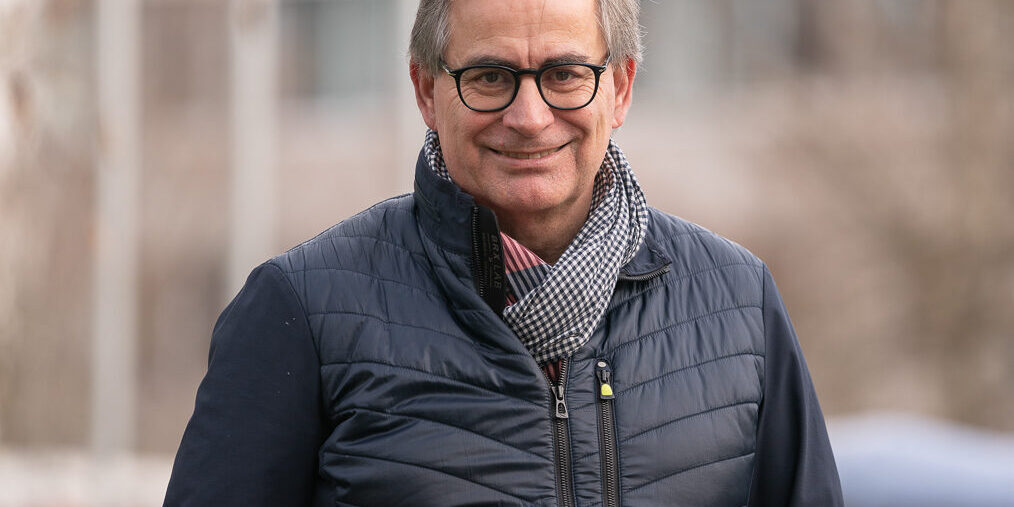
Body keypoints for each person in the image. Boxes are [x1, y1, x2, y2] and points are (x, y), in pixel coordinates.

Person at [164, 0, 843, 505]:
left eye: (565, 74)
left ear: (621, 88)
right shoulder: (302, 312)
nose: (530, 116)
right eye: (490, 77)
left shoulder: (740, 303)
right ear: (426, 91)